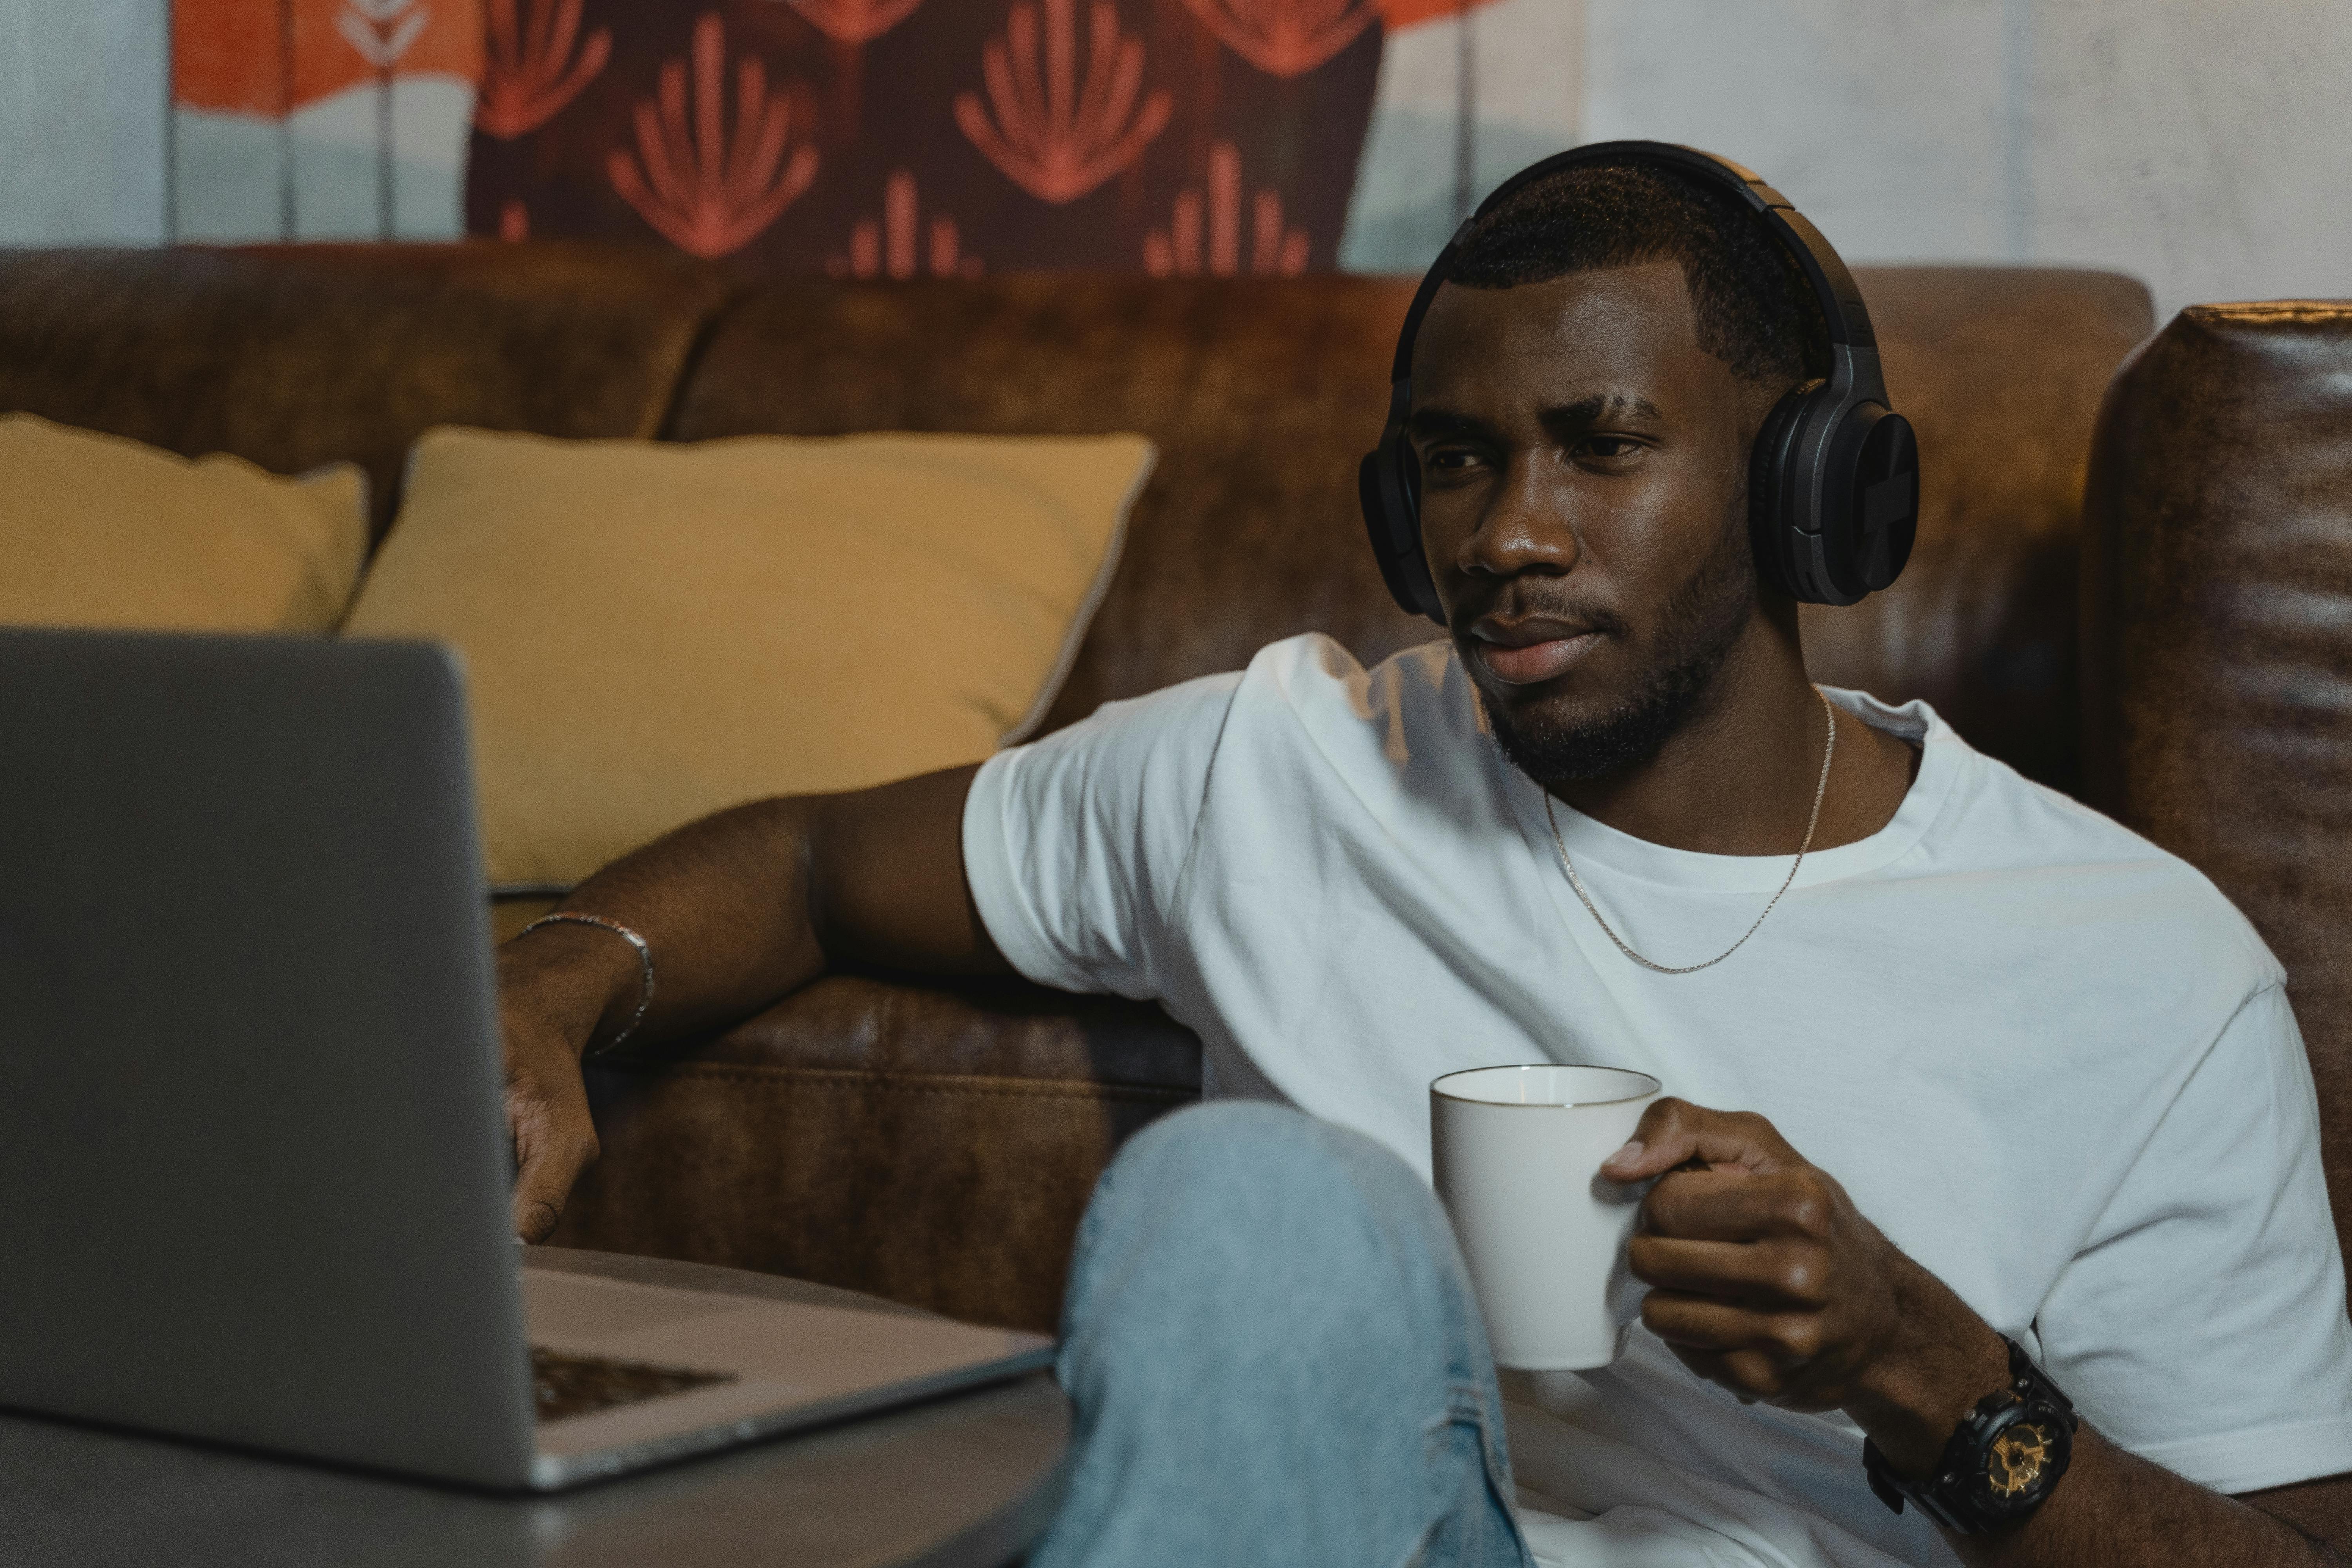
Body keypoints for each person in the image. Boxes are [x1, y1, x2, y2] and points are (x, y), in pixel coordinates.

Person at [494, 149, 2352, 1566]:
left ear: (1809, 486)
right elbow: (819, 859)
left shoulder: (2139, 972)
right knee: (1251, 1196)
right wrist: (550, 987)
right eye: (1455, 463)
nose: (1510, 535)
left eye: (1600, 447)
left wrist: (1926, 1367)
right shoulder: (1283, 766)